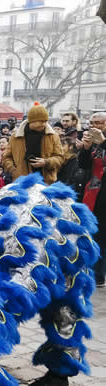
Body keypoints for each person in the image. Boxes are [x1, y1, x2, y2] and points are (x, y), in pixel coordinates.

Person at [77, 111, 106, 286]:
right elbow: (84, 166)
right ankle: (93, 270)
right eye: (92, 123)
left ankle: (99, 273)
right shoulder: (93, 143)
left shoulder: (102, 141)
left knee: (102, 235)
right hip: (93, 191)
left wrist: (103, 141)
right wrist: (86, 150)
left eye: (99, 123)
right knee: (92, 232)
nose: (95, 126)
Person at [2, 102, 63, 185]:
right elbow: (6, 157)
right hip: (22, 182)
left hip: (46, 183)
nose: (44, 124)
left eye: (46, 121)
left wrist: (46, 162)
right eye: (41, 121)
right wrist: (14, 170)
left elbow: (60, 158)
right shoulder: (16, 136)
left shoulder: (53, 136)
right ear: (32, 121)